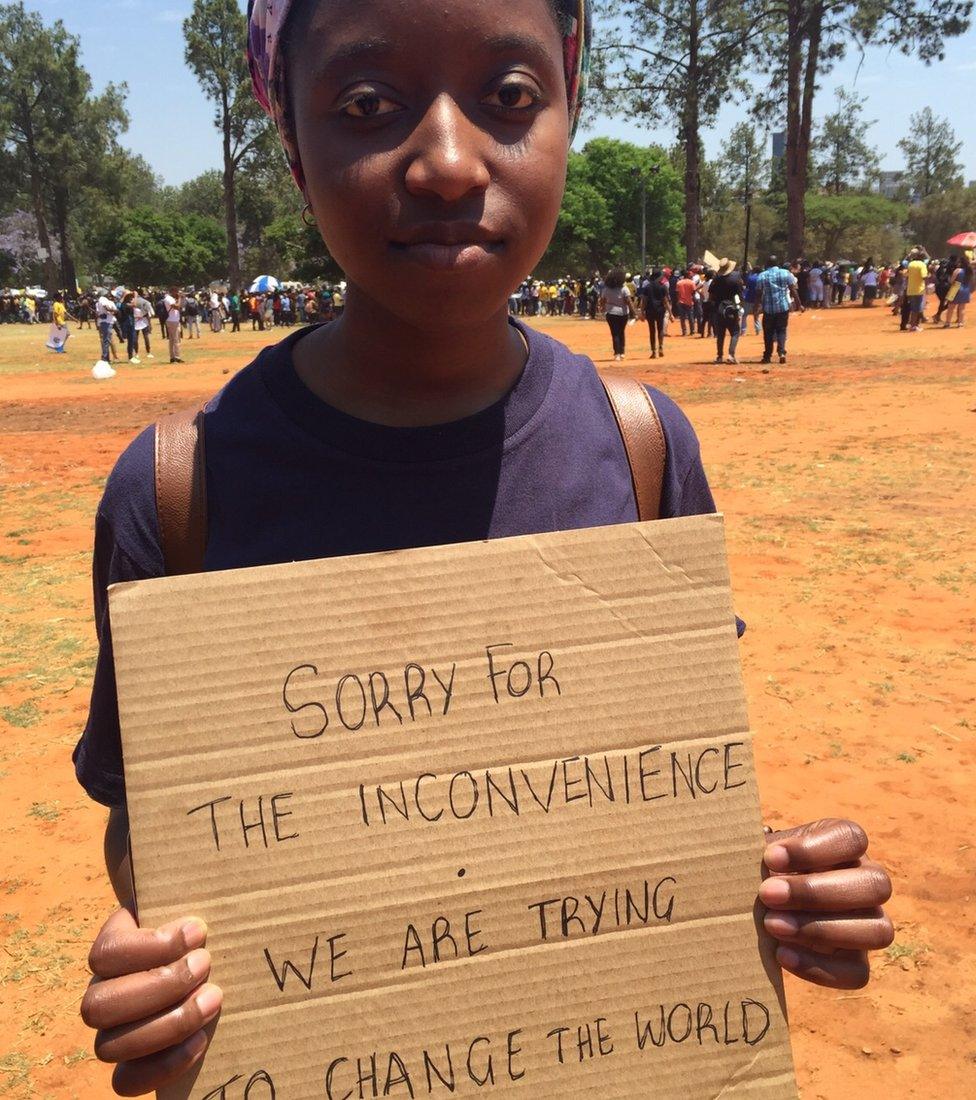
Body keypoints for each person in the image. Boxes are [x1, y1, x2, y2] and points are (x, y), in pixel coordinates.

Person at [74, 4, 893, 1093]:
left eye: (509, 97)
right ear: (288, 148)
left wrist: (776, 887)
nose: (452, 163)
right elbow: (149, 821)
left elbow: (652, 780)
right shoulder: (178, 491)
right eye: (368, 106)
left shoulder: (641, 450)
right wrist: (164, 950)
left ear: (569, 108)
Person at [755, 255, 804, 365]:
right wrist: (799, 304)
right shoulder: (786, 273)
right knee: (781, 330)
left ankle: (767, 356)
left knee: (768, 333)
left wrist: (756, 309)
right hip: (782, 307)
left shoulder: (762, 276)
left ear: (767, 264)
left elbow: (758, 294)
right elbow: (793, 290)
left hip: (768, 309)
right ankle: (781, 353)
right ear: (777, 263)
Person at [709, 258, 744, 365]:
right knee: (735, 332)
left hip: (719, 309)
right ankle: (731, 355)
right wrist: (739, 308)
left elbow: (711, 295)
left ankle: (719, 356)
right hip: (731, 308)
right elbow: (740, 296)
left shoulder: (716, 280)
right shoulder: (735, 280)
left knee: (720, 334)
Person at [599, 266, 634, 359]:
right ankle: (622, 352)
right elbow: (629, 301)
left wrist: (602, 308)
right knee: (621, 332)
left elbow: (602, 301)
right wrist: (633, 312)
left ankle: (616, 354)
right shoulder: (624, 288)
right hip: (623, 313)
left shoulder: (606, 289)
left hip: (611, 313)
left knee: (614, 333)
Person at [639, 268, 672, 359]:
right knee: (660, 329)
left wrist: (642, 312)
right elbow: (666, 301)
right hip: (660, 310)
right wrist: (671, 313)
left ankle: (653, 351)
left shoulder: (647, 287)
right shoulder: (663, 286)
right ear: (659, 276)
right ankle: (660, 347)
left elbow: (644, 301)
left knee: (652, 330)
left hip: (649, 310)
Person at [942, 256, 972, 328]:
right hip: (966, 289)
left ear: (960, 263)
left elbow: (952, 281)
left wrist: (949, 279)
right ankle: (960, 323)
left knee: (951, 307)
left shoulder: (957, 270)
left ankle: (947, 323)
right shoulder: (969, 271)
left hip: (955, 287)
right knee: (962, 308)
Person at [905, 247, 929, 332]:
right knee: (918, 309)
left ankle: (912, 324)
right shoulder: (922, 265)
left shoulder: (910, 264)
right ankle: (913, 326)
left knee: (913, 308)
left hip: (910, 289)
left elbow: (907, 274)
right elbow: (924, 276)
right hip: (919, 289)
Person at [164, 285, 184, 364]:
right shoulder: (169, 299)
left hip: (172, 320)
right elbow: (177, 307)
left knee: (172, 340)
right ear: (173, 292)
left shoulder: (170, 298)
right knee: (176, 340)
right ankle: (176, 357)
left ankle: (172, 357)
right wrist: (179, 299)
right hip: (172, 321)